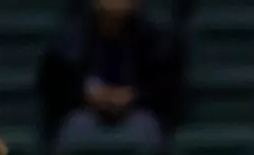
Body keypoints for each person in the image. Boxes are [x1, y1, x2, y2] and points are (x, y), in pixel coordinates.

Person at [39, 0, 183, 145]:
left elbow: (166, 88)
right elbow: (55, 88)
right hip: (84, 110)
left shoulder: (157, 39)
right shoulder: (71, 37)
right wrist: (86, 94)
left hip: (139, 110)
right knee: (76, 126)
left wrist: (133, 95)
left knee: (144, 128)